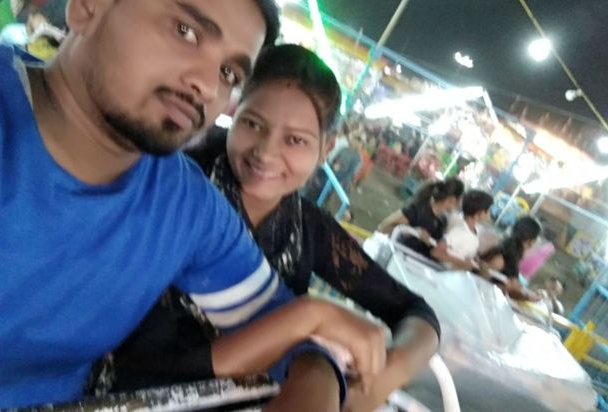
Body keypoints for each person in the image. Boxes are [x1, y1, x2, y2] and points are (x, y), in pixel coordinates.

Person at [0, 1, 386, 409]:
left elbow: (290, 331)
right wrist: (311, 321)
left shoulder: (183, 204)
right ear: (87, 7)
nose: (207, 85)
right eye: (186, 32)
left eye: (229, 73)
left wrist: (315, 356)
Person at [178, 44, 440, 411]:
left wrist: (384, 377)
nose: (265, 153)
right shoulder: (180, 185)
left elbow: (416, 312)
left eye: (295, 140)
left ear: (326, 149)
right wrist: (310, 322)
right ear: (234, 113)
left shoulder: (308, 229)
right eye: (253, 124)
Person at [378, 178, 464, 260]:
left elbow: (432, 250)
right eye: (460, 200)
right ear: (452, 199)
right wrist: (412, 231)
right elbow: (383, 227)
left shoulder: (441, 222)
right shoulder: (417, 210)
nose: (460, 204)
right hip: (395, 258)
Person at [478, 216, 544, 301]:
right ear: (530, 242)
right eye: (536, 240)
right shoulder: (499, 258)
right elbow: (480, 286)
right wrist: (516, 292)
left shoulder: (513, 258)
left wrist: (525, 295)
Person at [436, 189, 494, 270]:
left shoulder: (476, 231)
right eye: (487, 211)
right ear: (478, 214)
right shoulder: (459, 231)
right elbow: (436, 252)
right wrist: (461, 262)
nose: (489, 214)